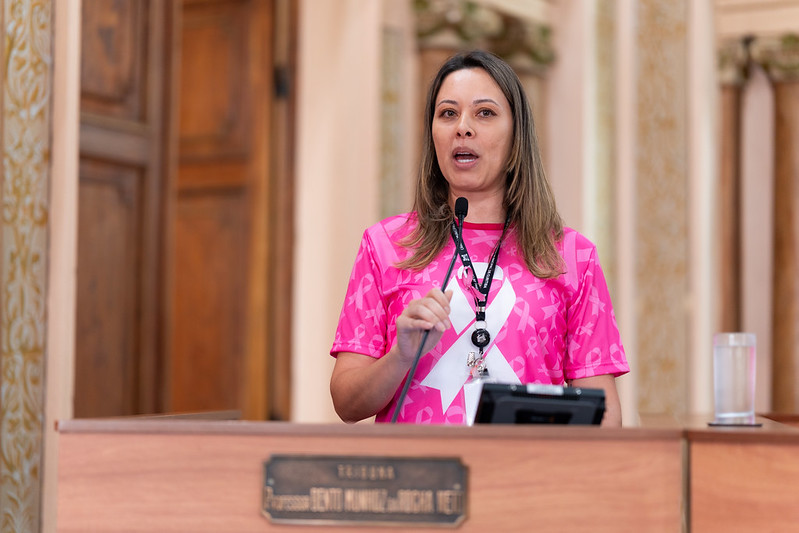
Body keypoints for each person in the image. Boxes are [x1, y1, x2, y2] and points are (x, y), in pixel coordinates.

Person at [329, 50, 628, 426]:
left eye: (484, 113)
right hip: (423, 478)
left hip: (528, 475)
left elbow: (603, 416)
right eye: (448, 113)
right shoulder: (387, 245)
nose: (463, 128)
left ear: (516, 134)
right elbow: (347, 403)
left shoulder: (571, 255)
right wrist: (400, 356)